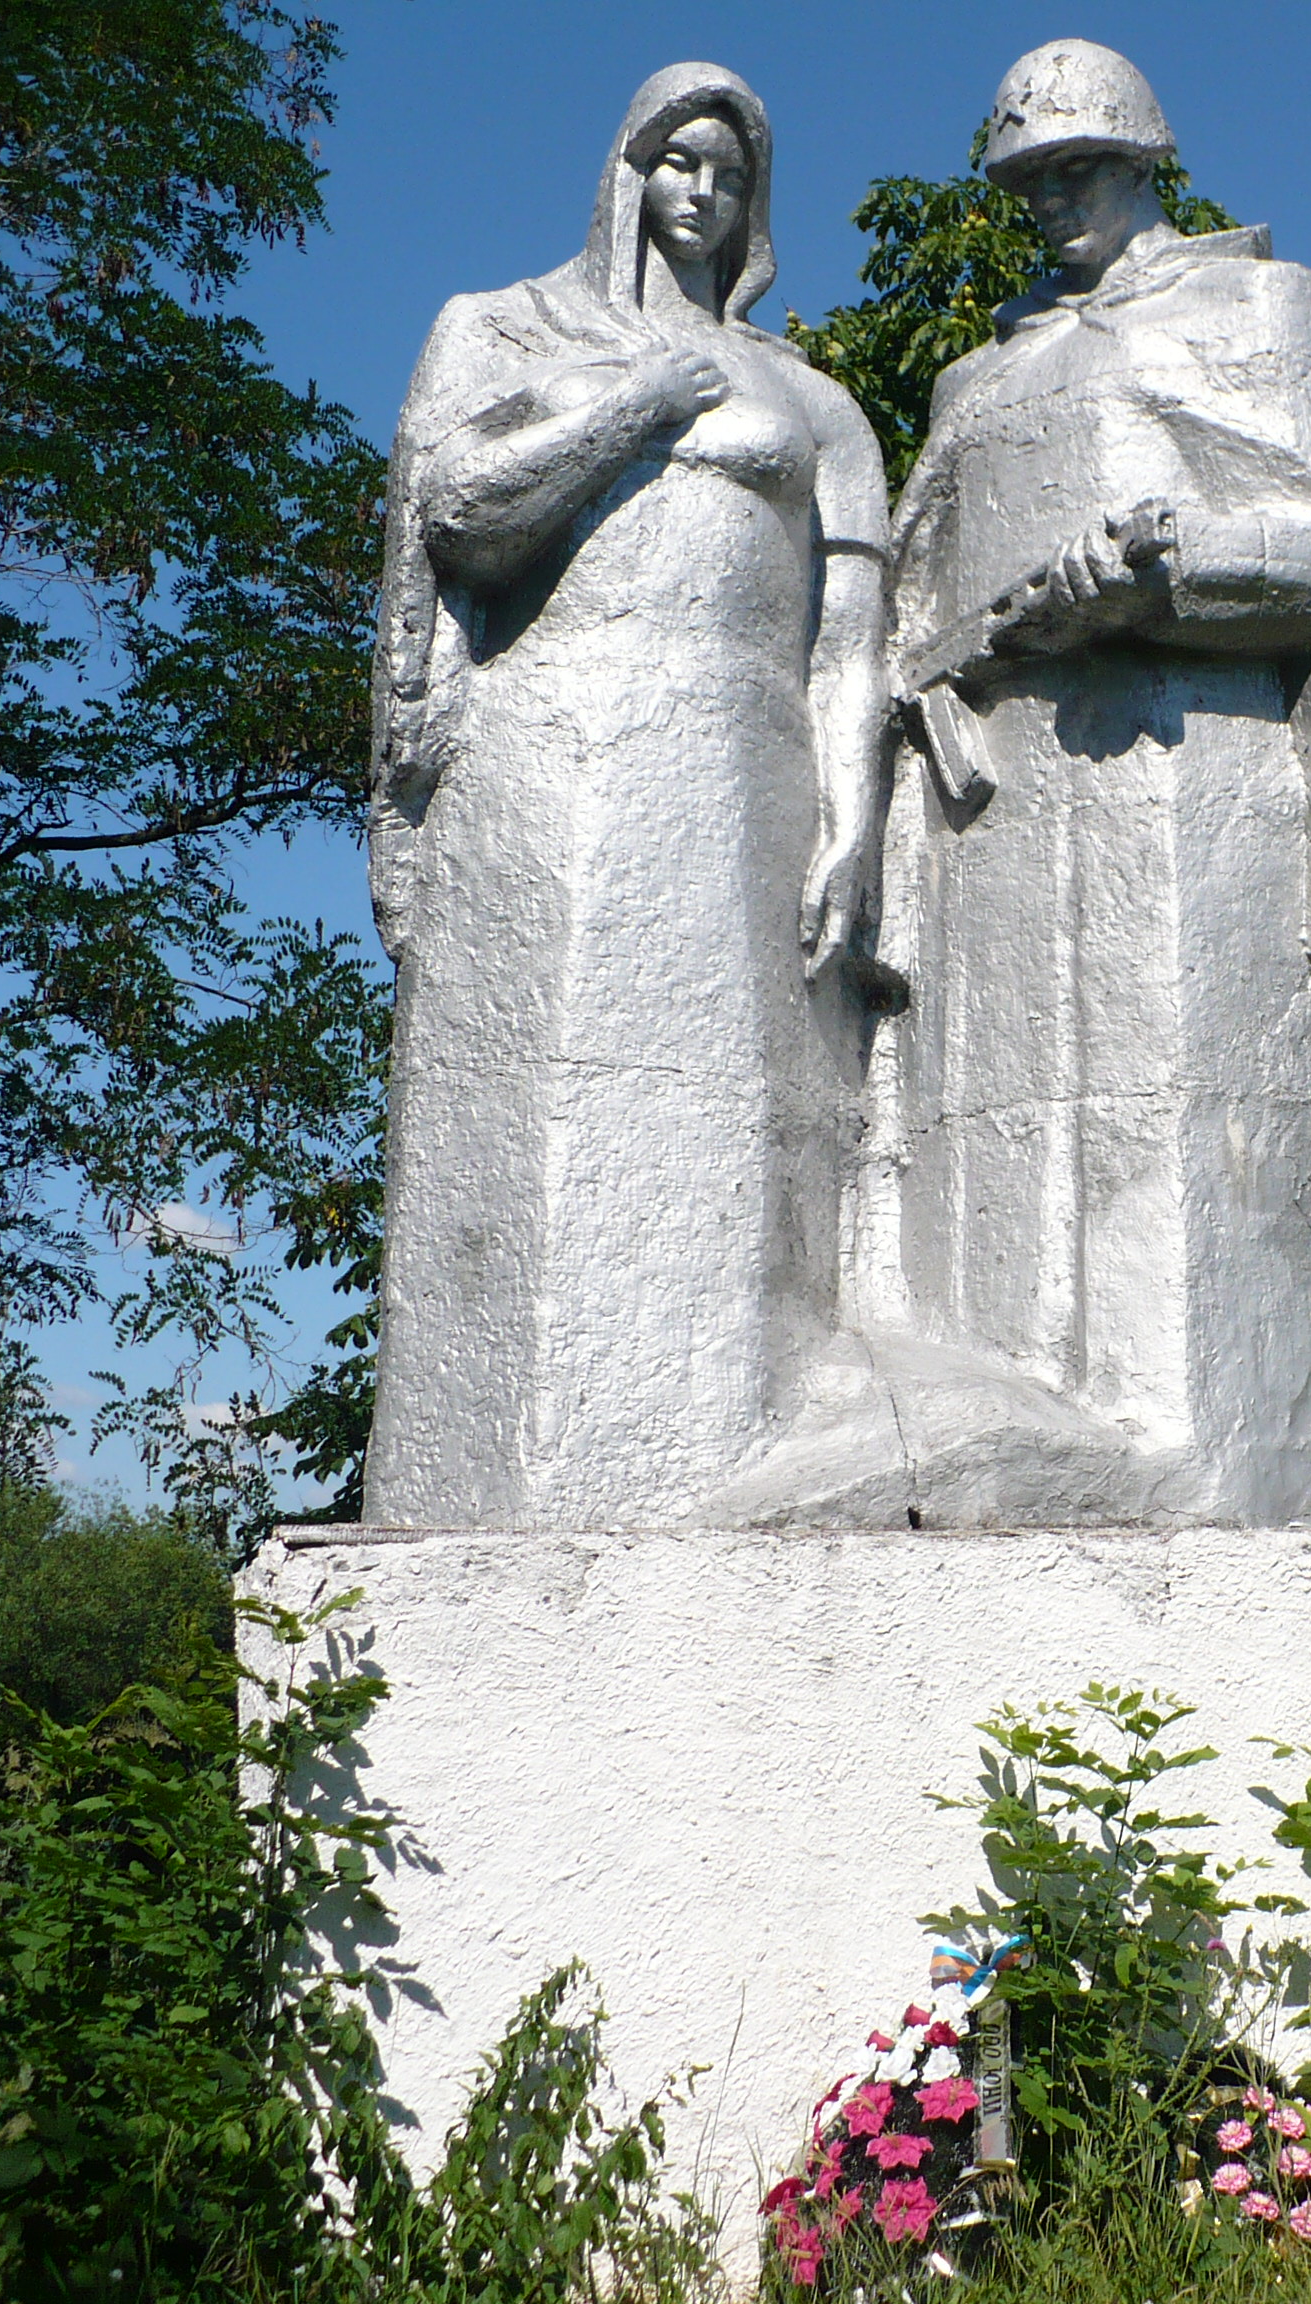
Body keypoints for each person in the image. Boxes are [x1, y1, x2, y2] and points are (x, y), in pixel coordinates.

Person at [738, 40, 1311, 1530]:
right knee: (992, 1150)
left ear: (1150, 161)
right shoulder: (983, 371)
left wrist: (1169, 576)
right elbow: (903, 596)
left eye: (1085, 171)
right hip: (990, 804)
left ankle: (1177, 1465)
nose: (1060, 205)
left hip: (1187, 786)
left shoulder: (1265, 309)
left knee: (1170, 1167)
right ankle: (1006, 1424)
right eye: (1034, 184)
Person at [361, 63, 894, 1529]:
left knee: (732, 1129)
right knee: (540, 1106)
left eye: (729, 169)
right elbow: (459, 514)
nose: (702, 190)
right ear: (629, 174)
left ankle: (717, 1462)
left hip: (745, 770)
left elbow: (855, 642)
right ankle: (515, 1483)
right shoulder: (506, 327)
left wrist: (856, 822)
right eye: (677, 161)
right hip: (555, 755)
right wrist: (645, 398)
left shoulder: (817, 403)